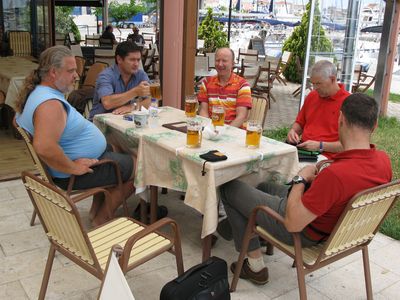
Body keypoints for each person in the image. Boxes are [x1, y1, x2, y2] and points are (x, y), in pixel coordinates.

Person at [219, 93, 392, 285]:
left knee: (229, 188)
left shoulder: (336, 176)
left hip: (303, 232)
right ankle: (245, 230)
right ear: (375, 125)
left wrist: (300, 178)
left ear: (340, 118)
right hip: (330, 223)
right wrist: (321, 170)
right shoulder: (383, 161)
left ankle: (255, 266)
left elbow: (293, 223)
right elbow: (351, 170)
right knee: (264, 186)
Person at [15, 45, 135, 226]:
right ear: (53, 73)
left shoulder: (37, 92)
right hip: (70, 175)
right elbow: (44, 147)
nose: (77, 76)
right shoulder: (50, 105)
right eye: (71, 71)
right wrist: (72, 167)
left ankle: (96, 210)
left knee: (117, 148)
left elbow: (16, 122)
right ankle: (103, 217)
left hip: (78, 161)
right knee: (139, 166)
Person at [287, 60, 350, 158]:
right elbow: (300, 122)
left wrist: (320, 146)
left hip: (328, 156)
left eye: (318, 83)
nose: (315, 88)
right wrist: (293, 132)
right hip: (303, 150)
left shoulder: (349, 103)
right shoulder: (312, 96)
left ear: (333, 79)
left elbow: (349, 145)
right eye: (313, 83)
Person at [89, 41, 150, 120]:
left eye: (138, 60)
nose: (136, 64)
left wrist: (132, 106)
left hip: (124, 122)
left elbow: (151, 99)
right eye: (132, 60)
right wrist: (135, 92)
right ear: (119, 59)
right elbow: (107, 103)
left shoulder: (140, 74)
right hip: (100, 125)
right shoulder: (106, 76)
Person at [198, 47, 252, 128]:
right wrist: (208, 129)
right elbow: (203, 111)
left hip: (233, 132)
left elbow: (241, 117)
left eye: (224, 61)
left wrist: (225, 132)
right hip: (211, 131)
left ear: (233, 64)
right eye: (217, 60)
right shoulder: (206, 82)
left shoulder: (242, 85)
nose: (220, 64)